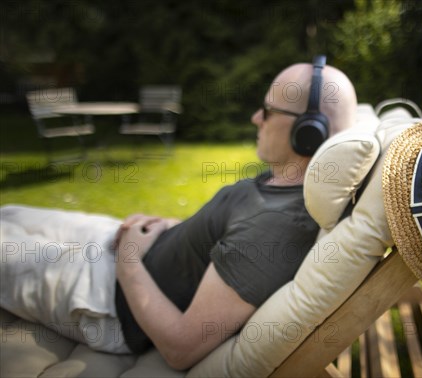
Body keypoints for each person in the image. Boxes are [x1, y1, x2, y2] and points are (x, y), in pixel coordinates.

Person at [0, 58, 358, 370]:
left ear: (307, 134)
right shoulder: (284, 183)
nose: (254, 118)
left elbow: (181, 347)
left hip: (104, 297)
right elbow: (217, 238)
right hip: (123, 248)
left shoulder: (275, 228)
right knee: (10, 214)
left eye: (267, 111)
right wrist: (161, 228)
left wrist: (128, 260)